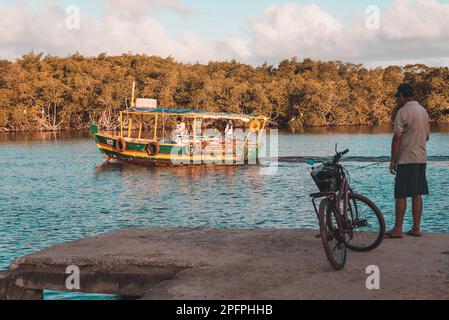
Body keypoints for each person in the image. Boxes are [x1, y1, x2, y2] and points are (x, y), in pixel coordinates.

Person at [387, 83, 430, 239]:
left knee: (401, 195)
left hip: (406, 160)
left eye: (398, 97)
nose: (397, 100)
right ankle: (416, 229)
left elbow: (396, 138)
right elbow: (426, 137)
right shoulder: (423, 111)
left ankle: (398, 229)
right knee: (417, 193)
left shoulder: (402, 111)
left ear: (401, 96)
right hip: (421, 158)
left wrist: (393, 160)